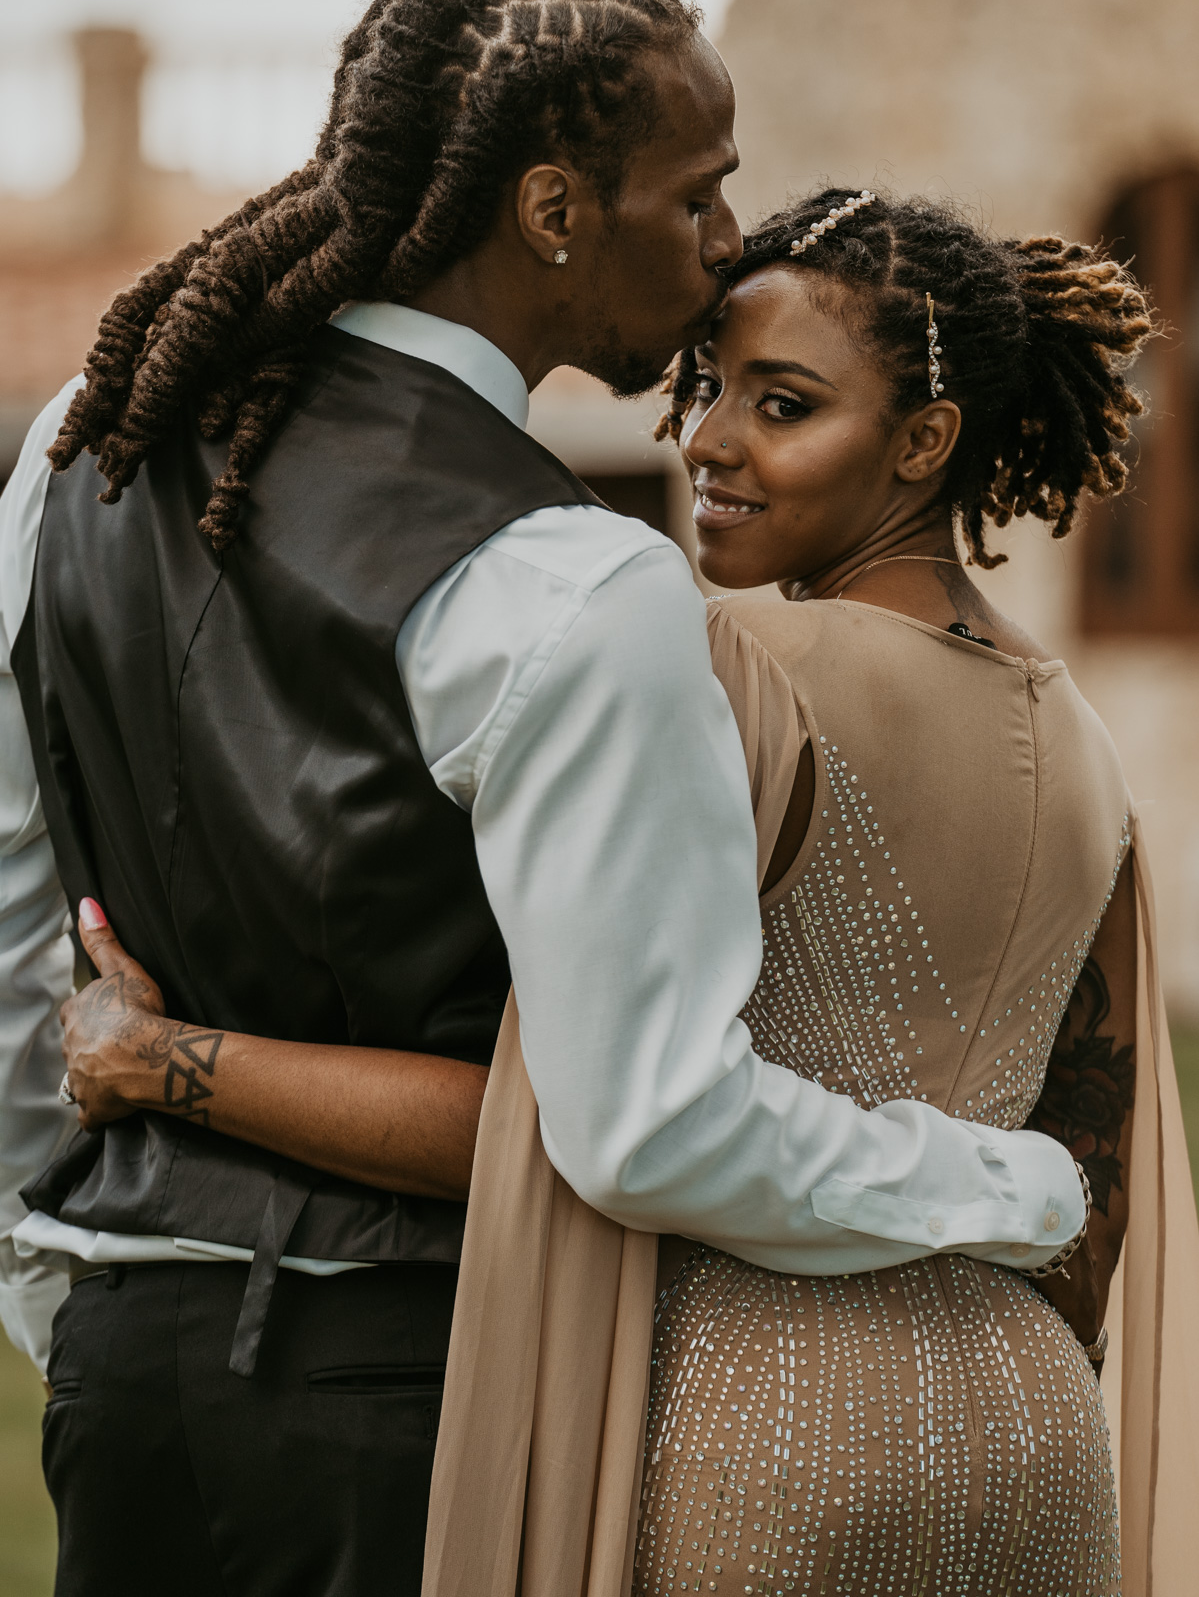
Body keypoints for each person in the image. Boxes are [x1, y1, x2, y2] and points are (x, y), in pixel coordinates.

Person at [0, 0, 1085, 1597]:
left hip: (119, 1382)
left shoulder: (86, 435)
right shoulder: (574, 579)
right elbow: (648, 1128)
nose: (732, 243)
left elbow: (21, 909)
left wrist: (67, 1273)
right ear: (558, 210)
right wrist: (1012, 1184)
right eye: (701, 193)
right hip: (423, 1406)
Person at [428, 188, 1199, 1597]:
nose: (710, 439)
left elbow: (566, 1102)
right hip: (1037, 1431)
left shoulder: (714, 671)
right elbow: (1098, 1184)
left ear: (924, 442)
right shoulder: (1089, 749)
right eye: (711, 386)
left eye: (781, 407)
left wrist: (191, 1070)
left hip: (761, 1426)